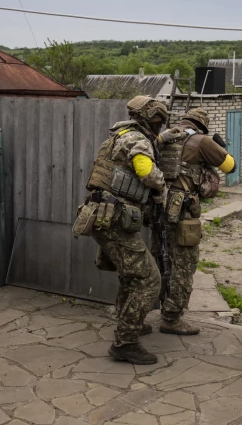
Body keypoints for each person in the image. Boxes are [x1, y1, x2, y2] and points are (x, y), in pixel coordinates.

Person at [75, 96, 181, 365]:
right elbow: (146, 171)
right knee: (149, 279)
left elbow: (137, 151)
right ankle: (125, 342)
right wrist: (162, 185)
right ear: (150, 119)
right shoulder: (137, 140)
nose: (159, 126)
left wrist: (164, 138)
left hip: (105, 215)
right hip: (114, 218)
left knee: (130, 276)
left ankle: (130, 323)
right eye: (159, 121)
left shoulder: (122, 134)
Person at [152, 107, 236, 335]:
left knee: (159, 261)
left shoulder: (164, 138)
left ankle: (141, 313)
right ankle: (172, 319)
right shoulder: (201, 141)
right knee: (184, 264)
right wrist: (217, 146)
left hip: (157, 208)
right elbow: (231, 166)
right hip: (182, 212)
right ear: (203, 125)